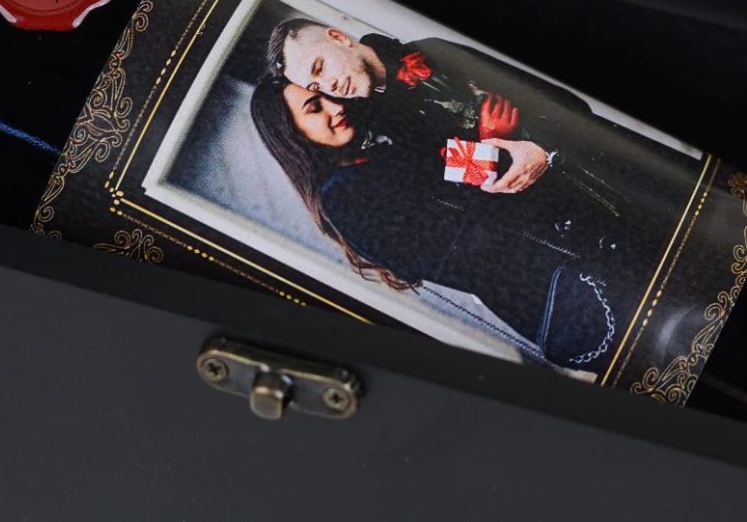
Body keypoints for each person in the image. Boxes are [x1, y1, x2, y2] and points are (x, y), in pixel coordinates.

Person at [250, 77, 653, 370]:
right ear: (292, 134)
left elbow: (452, 171)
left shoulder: (374, 154)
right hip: (555, 292)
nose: (335, 107)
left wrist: (489, 142)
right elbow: (462, 253)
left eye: (327, 96)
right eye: (314, 108)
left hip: (576, 259)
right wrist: (486, 146)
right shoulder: (342, 197)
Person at [266, 18, 700, 229]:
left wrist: (540, 145)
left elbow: (557, 98)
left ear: (338, 37)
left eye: (321, 66)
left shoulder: (432, 51)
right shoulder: (377, 129)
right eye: (314, 84)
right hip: (576, 215)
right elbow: (459, 181)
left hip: (616, 159)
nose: (328, 85)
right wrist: (493, 143)